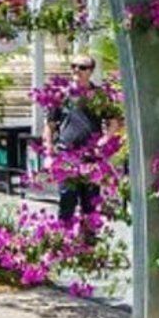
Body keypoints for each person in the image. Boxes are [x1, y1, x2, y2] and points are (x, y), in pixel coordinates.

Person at [47, 54, 107, 223]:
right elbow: (50, 125)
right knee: (67, 200)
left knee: (91, 204)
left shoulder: (99, 96)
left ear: (91, 71)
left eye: (82, 67)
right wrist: (49, 150)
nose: (76, 70)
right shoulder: (62, 95)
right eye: (74, 66)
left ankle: (89, 244)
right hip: (66, 155)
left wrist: (105, 141)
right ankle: (64, 243)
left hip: (91, 158)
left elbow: (114, 122)